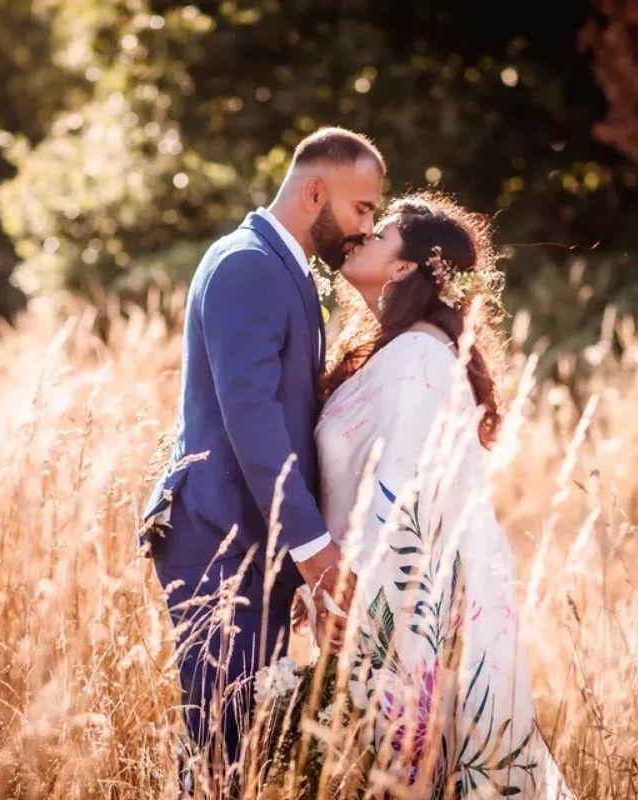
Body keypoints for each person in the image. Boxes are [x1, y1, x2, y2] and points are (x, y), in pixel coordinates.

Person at [305, 193, 574, 797]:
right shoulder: (399, 349)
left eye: (379, 235)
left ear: (403, 269)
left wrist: (346, 597)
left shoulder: (417, 359)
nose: (361, 235)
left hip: (405, 611)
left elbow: (403, 513)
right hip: (378, 599)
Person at [138, 127, 383, 771]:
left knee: (249, 752)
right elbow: (253, 422)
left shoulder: (286, 271)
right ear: (313, 192)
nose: (366, 228)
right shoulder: (245, 264)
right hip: (219, 540)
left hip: (257, 542)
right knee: (222, 751)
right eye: (362, 209)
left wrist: (295, 561)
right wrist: (313, 550)